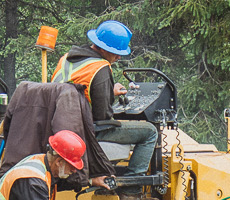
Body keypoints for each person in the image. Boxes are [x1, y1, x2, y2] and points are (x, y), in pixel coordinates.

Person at [52, 20, 157, 175]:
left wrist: (108, 91)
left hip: (60, 126)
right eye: (116, 52)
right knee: (150, 132)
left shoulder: (66, 59)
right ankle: (132, 188)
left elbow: (77, 90)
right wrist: (108, 97)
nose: (118, 58)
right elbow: (103, 117)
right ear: (104, 48)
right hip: (86, 130)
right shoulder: (100, 68)